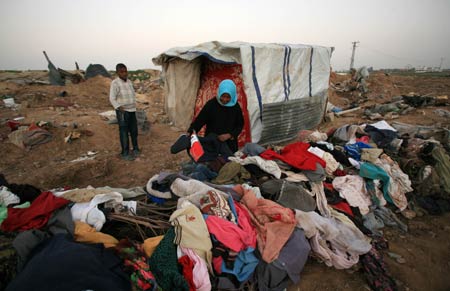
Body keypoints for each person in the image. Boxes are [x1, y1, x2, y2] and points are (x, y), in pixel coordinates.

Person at [188, 79, 244, 154]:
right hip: (211, 143)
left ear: (233, 95)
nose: (225, 100)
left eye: (228, 97)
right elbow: (200, 120)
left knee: (228, 163)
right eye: (223, 96)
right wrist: (191, 132)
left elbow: (240, 125)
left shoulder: (235, 107)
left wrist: (229, 135)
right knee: (210, 163)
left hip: (230, 145)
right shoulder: (211, 105)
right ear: (219, 93)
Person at [109, 63, 140, 161]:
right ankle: (125, 153)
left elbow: (132, 94)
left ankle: (135, 149)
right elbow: (112, 98)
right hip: (123, 111)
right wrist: (118, 107)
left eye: (125, 71)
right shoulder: (115, 83)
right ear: (117, 73)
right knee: (124, 132)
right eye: (122, 72)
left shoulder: (129, 82)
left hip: (132, 110)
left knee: (134, 131)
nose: (124, 73)